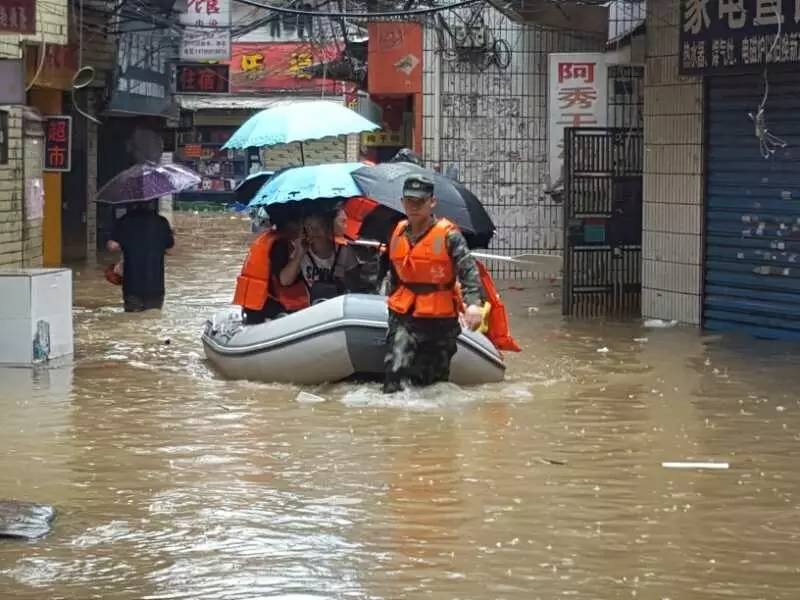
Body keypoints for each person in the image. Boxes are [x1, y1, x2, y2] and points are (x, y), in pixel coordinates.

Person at [383, 175, 484, 393]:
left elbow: (469, 271)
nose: (414, 207)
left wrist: (473, 304)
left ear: (432, 202)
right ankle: (394, 420)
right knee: (396, 369)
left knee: (433, 384)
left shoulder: (449, 236)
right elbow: (393, 271)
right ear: (402, 203)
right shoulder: (398, 232)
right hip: (404, 314)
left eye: (420, 201)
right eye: (410, 201)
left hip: (440, 319)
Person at [233, 216, 310, 325]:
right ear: (289, 225)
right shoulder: (279, 245)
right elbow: (285, 281)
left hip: (257, 305)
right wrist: (299, 255)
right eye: (300, 224)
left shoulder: (270, 239)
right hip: (265, 308)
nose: (302, 228)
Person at [107, 200, 174, 312]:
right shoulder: (161, 222)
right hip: (155, 285)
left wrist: (125, 245)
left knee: (131, 320)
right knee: (153, 321)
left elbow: (112, 246)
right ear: (152, 204)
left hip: (132, 285)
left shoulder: (124, 221)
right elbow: (171, 249)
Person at [280, 211, 359, 302]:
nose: (314, 231)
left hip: (340, 302)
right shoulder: (303, 252)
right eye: (309, 227)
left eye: (319, 225)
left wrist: (342, 278)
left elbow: (355, 285)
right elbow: (285, 281)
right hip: (314, 305)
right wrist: (299, 255)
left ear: (328, 226)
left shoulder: (344, 251)